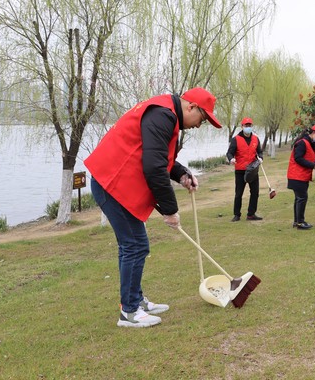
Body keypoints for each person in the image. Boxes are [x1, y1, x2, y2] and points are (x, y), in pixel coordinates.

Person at [84, 87, 222, 328]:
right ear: (190, 107)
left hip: (116, 184)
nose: (200, 125)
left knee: (132, 245)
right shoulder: (163, 114)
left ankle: (134, 300)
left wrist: (181, 173)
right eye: (202, 119)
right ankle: (129, 312)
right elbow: (154, 166)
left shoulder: (166, 113)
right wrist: (170, 210)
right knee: (135, 245)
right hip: (111, 183)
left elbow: (158, 156)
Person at [287, 123, 315, 230]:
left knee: (299, 198)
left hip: (301, 176)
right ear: (314, 133)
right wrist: (314, 165)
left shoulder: (311, 144)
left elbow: (312, 159)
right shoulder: (302, 143)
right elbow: (298, 158)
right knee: (302, 198)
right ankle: (300, 222)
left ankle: (297, 221)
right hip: (297, 175)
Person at [226, 117, 264, 222]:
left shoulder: (256, 139)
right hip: (240, 170)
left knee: (255, 192)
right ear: (242, 126)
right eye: (246, 125)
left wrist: (260, 158)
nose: (248, 127)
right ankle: (237, 214)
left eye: (250, 125)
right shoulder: (236, 139)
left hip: (253, 169)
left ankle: (251, 214)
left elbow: (259, 152)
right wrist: (231, 159)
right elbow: (229, 153)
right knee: (239, 193)